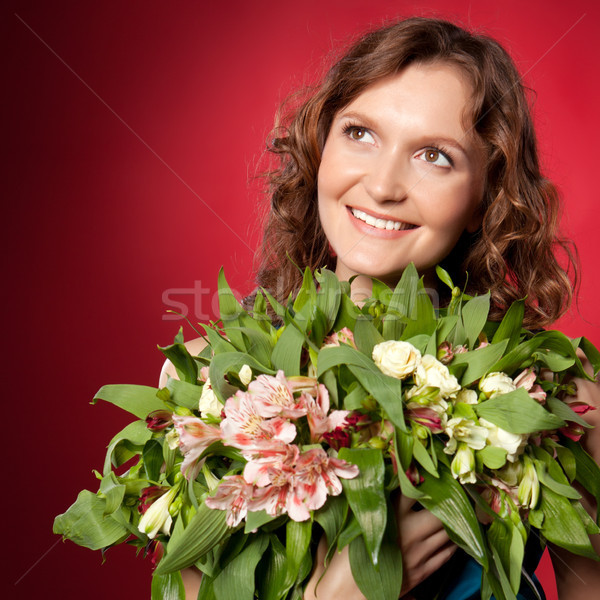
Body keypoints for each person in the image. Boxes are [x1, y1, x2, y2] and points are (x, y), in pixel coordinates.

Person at [161, 17, 600, 599]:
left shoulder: (561, 394)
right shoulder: (207, 385)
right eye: (361, 134)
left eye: (435, 156)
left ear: (483, 199)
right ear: (321, 146)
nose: (384, 184)